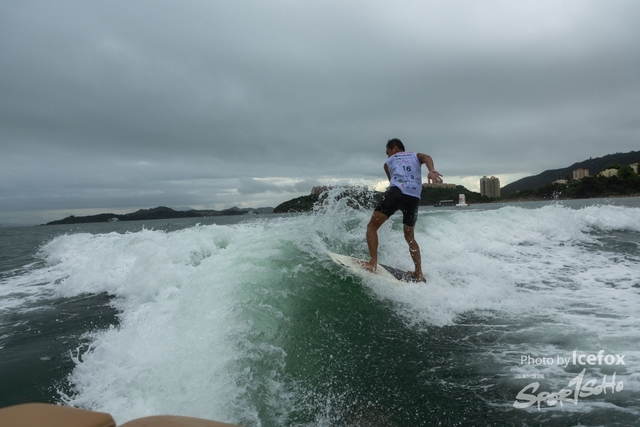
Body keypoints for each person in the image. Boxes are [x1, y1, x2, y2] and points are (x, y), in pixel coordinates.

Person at [361, 138, 443, 282]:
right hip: (414, 197)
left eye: (388, 152)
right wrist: (431, 170)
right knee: (410, 236)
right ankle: (418, 272)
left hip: (397, 192)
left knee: (372, 226)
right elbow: (427, 157)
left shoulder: (388, 162)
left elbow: (391, 181)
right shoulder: (415, 155)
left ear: (394, 148)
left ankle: (372, 263)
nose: (388, 156)